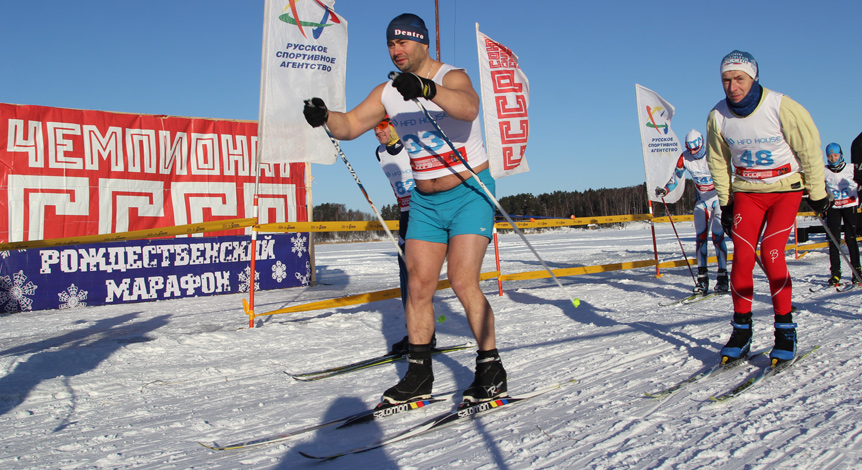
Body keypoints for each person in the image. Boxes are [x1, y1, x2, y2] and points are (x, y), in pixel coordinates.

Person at [303, 13, 506, 405]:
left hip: (469, 192)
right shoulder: (388, 92)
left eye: (403, 43)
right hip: (426, 201)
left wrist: (428, 89)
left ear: (422, 44)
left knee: (463, 281)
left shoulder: (452, 76)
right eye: (391, 45)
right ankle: (418, 375)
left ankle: (491, 368)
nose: (397, 51)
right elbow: (349, 124)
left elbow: (468, 107)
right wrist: (324, 116)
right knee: (417, 286)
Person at [706, 50, 830, 365]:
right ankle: (741, 331)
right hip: (747, 191)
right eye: (726, 80)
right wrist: (726, 201)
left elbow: (809, 149)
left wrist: (817, 192)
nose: (732, 86)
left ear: (754, 77)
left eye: (739, 79)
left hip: (785, 189)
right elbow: (718, 161)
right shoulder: (718, 116)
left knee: (772, 252)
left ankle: (785, 331)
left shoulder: (781, 106)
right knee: (742, 258)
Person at [373, 117, 436, 354]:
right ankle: (416, 333)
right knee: (405, 280)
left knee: (418, 278)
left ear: (394, 126)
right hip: (405, 217)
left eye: (381, 126)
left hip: (425, 214)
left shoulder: (415, 145)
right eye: (373, 126)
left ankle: (425, 336)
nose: (375, 131)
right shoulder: (380, 153)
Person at [655, 129, 729, 295]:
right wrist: (665, 190)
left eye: (696, 149)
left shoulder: (713, 153)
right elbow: (676, 178)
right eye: (691, 150)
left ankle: (723, 278)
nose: (694, 153)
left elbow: (727, 173)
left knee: (717, 236)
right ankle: (702, 280)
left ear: (702, 144)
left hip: (718, 198)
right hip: (702, 200)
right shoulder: (684, 158)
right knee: (701, 238)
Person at [823, 142, 861, 286]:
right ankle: (835, 273)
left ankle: (857, 271)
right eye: (830, 156)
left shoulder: (851, 168)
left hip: (849, 206)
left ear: (841, 155)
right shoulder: (824, 171)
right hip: (834, 208)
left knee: (851, 239)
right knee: (834, 241)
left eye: (835, 155)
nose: (833, 158)